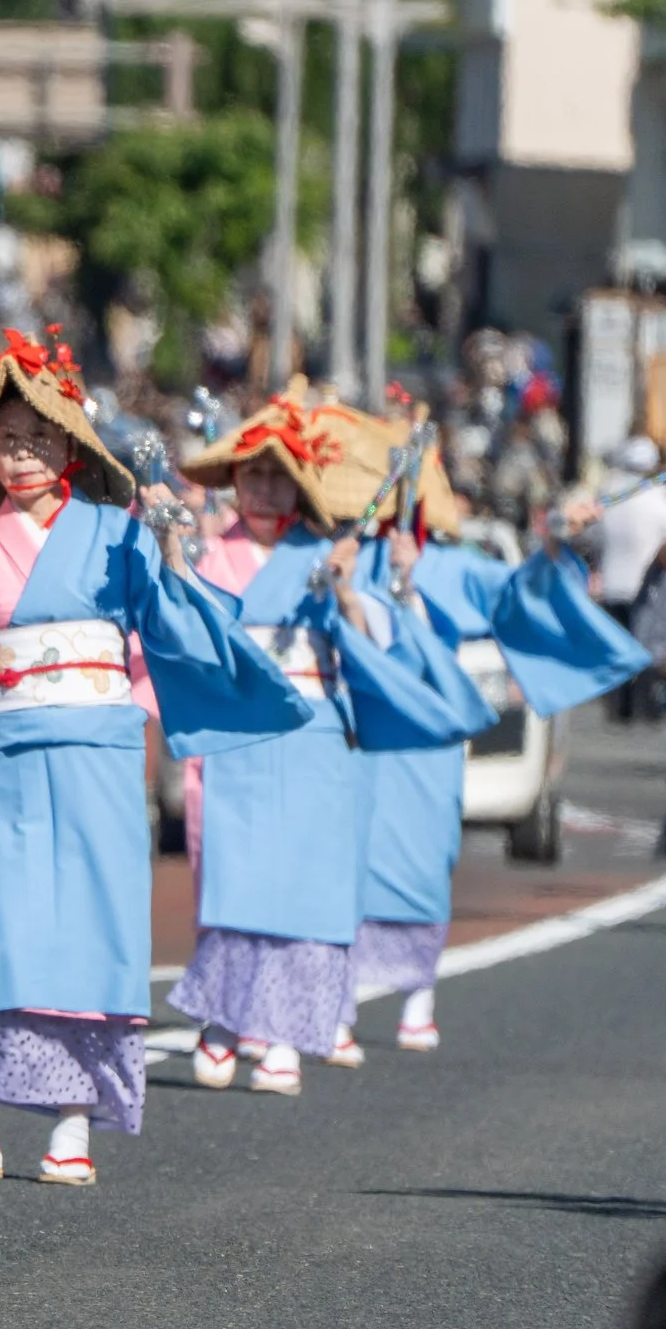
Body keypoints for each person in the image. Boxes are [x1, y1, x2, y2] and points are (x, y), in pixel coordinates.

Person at [0, 328, 308, 1186]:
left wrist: (175, 552)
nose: (24, 452)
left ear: (72, 442)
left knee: (98, 926)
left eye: (40, 436)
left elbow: (178, 631)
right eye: (8, 438)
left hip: (103, 751)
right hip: (13, 749)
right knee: (5, 924)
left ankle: (72, 1119)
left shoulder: (120, 534)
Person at [170, 390, 488, 1092]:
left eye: (277, 473)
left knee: (303, 885)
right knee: (237, 880)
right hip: (240, 735)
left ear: (300, 485)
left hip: (314, 731)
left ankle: (283, 1031)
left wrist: (345, 593)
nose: (261, 486)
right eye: (250, 473)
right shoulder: (206, 552)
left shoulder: (328, 552)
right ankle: (223, 1018)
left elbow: (378, 639)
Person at [355, 419, 647, 1050]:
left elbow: (520, 594)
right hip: (362, 729)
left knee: (424, 857)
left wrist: (555, 542)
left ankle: (417, 992)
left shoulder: (458, 565)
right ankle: (335, 994)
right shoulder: (351, 554)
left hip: (430, 730)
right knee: (350, 856)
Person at [597, 437, 666, 721]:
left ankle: (619, 707)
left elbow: (593, 533)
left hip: (611, 583)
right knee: (643, 647)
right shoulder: (655, 496)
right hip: (643, 584)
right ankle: (643, 707)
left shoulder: (611, 493)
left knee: (619, 650)